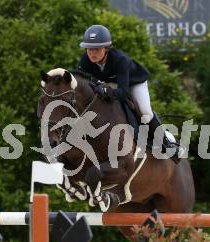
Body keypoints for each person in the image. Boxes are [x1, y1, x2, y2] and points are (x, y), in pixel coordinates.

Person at [77, 24, 181, 163]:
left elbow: (123, 93)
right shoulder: (84, 61)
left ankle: (167, 143)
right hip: (109, 84)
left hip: (133, 83)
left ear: (106, 48)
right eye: (89, 48)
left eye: (96, 49)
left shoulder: (120, 59)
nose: (92, 53)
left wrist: (107, 90)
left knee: (145, 112)